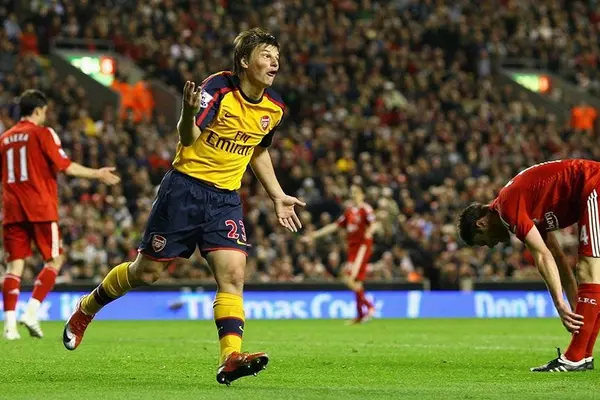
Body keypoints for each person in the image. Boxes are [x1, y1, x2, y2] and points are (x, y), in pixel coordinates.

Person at [62, 28, 306, 386]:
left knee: (233, 276)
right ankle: (87, 307)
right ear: (244, 61)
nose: (275, 62)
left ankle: (230, 358)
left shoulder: (275, 106)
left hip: (225, 199)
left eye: (277, 57)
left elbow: (258, 149)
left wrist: (276, 194)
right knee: (146, 273)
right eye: (266, 55)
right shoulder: (217, 89)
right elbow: (189, 137)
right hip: (185, 190)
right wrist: (188, 113)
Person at [457, 159, 600, 372]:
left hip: (594, 185)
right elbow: (558, 258)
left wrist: (560, 305)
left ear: (482, 223)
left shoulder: (508, 207)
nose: (492, 245)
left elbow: (542, 256)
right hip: (591, 189)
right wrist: (574, 307)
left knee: (589, 269)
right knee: (589, 271)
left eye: (484, 241)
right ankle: (583, 355)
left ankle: (574, 358)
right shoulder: (527, 207)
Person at [1, 89, 120, 340]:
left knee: (14, 267)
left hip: (12, 209)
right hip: (40, 208)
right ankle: (31, 313)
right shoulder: (42, 133)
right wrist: (97, 173)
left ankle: (9, 327)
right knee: (55, 260)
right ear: (38, 110)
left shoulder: (4, 139)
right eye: (44, 111)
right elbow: (66, 166)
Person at [303, 184, 377, 324]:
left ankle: (369, 307)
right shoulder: (349, 212)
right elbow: (335, 226)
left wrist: (370, 231)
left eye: (356, 192)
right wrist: (314, 235)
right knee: (354, 281)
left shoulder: (365, 209)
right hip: (352, 250)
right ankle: (361, 315)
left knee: (350, 277)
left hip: (362, 248)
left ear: (362, 194)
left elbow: (374, 223)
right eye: (352, 192)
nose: (353, 195)